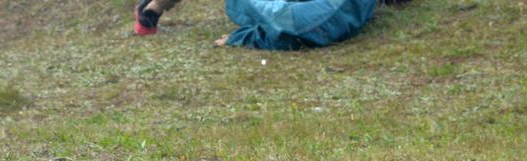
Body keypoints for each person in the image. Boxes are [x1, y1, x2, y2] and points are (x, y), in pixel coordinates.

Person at [136, 0, 377, 51]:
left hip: (294, 14)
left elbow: (293, 29)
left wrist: (242, 37)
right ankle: (154, 6)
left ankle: (153, 6)